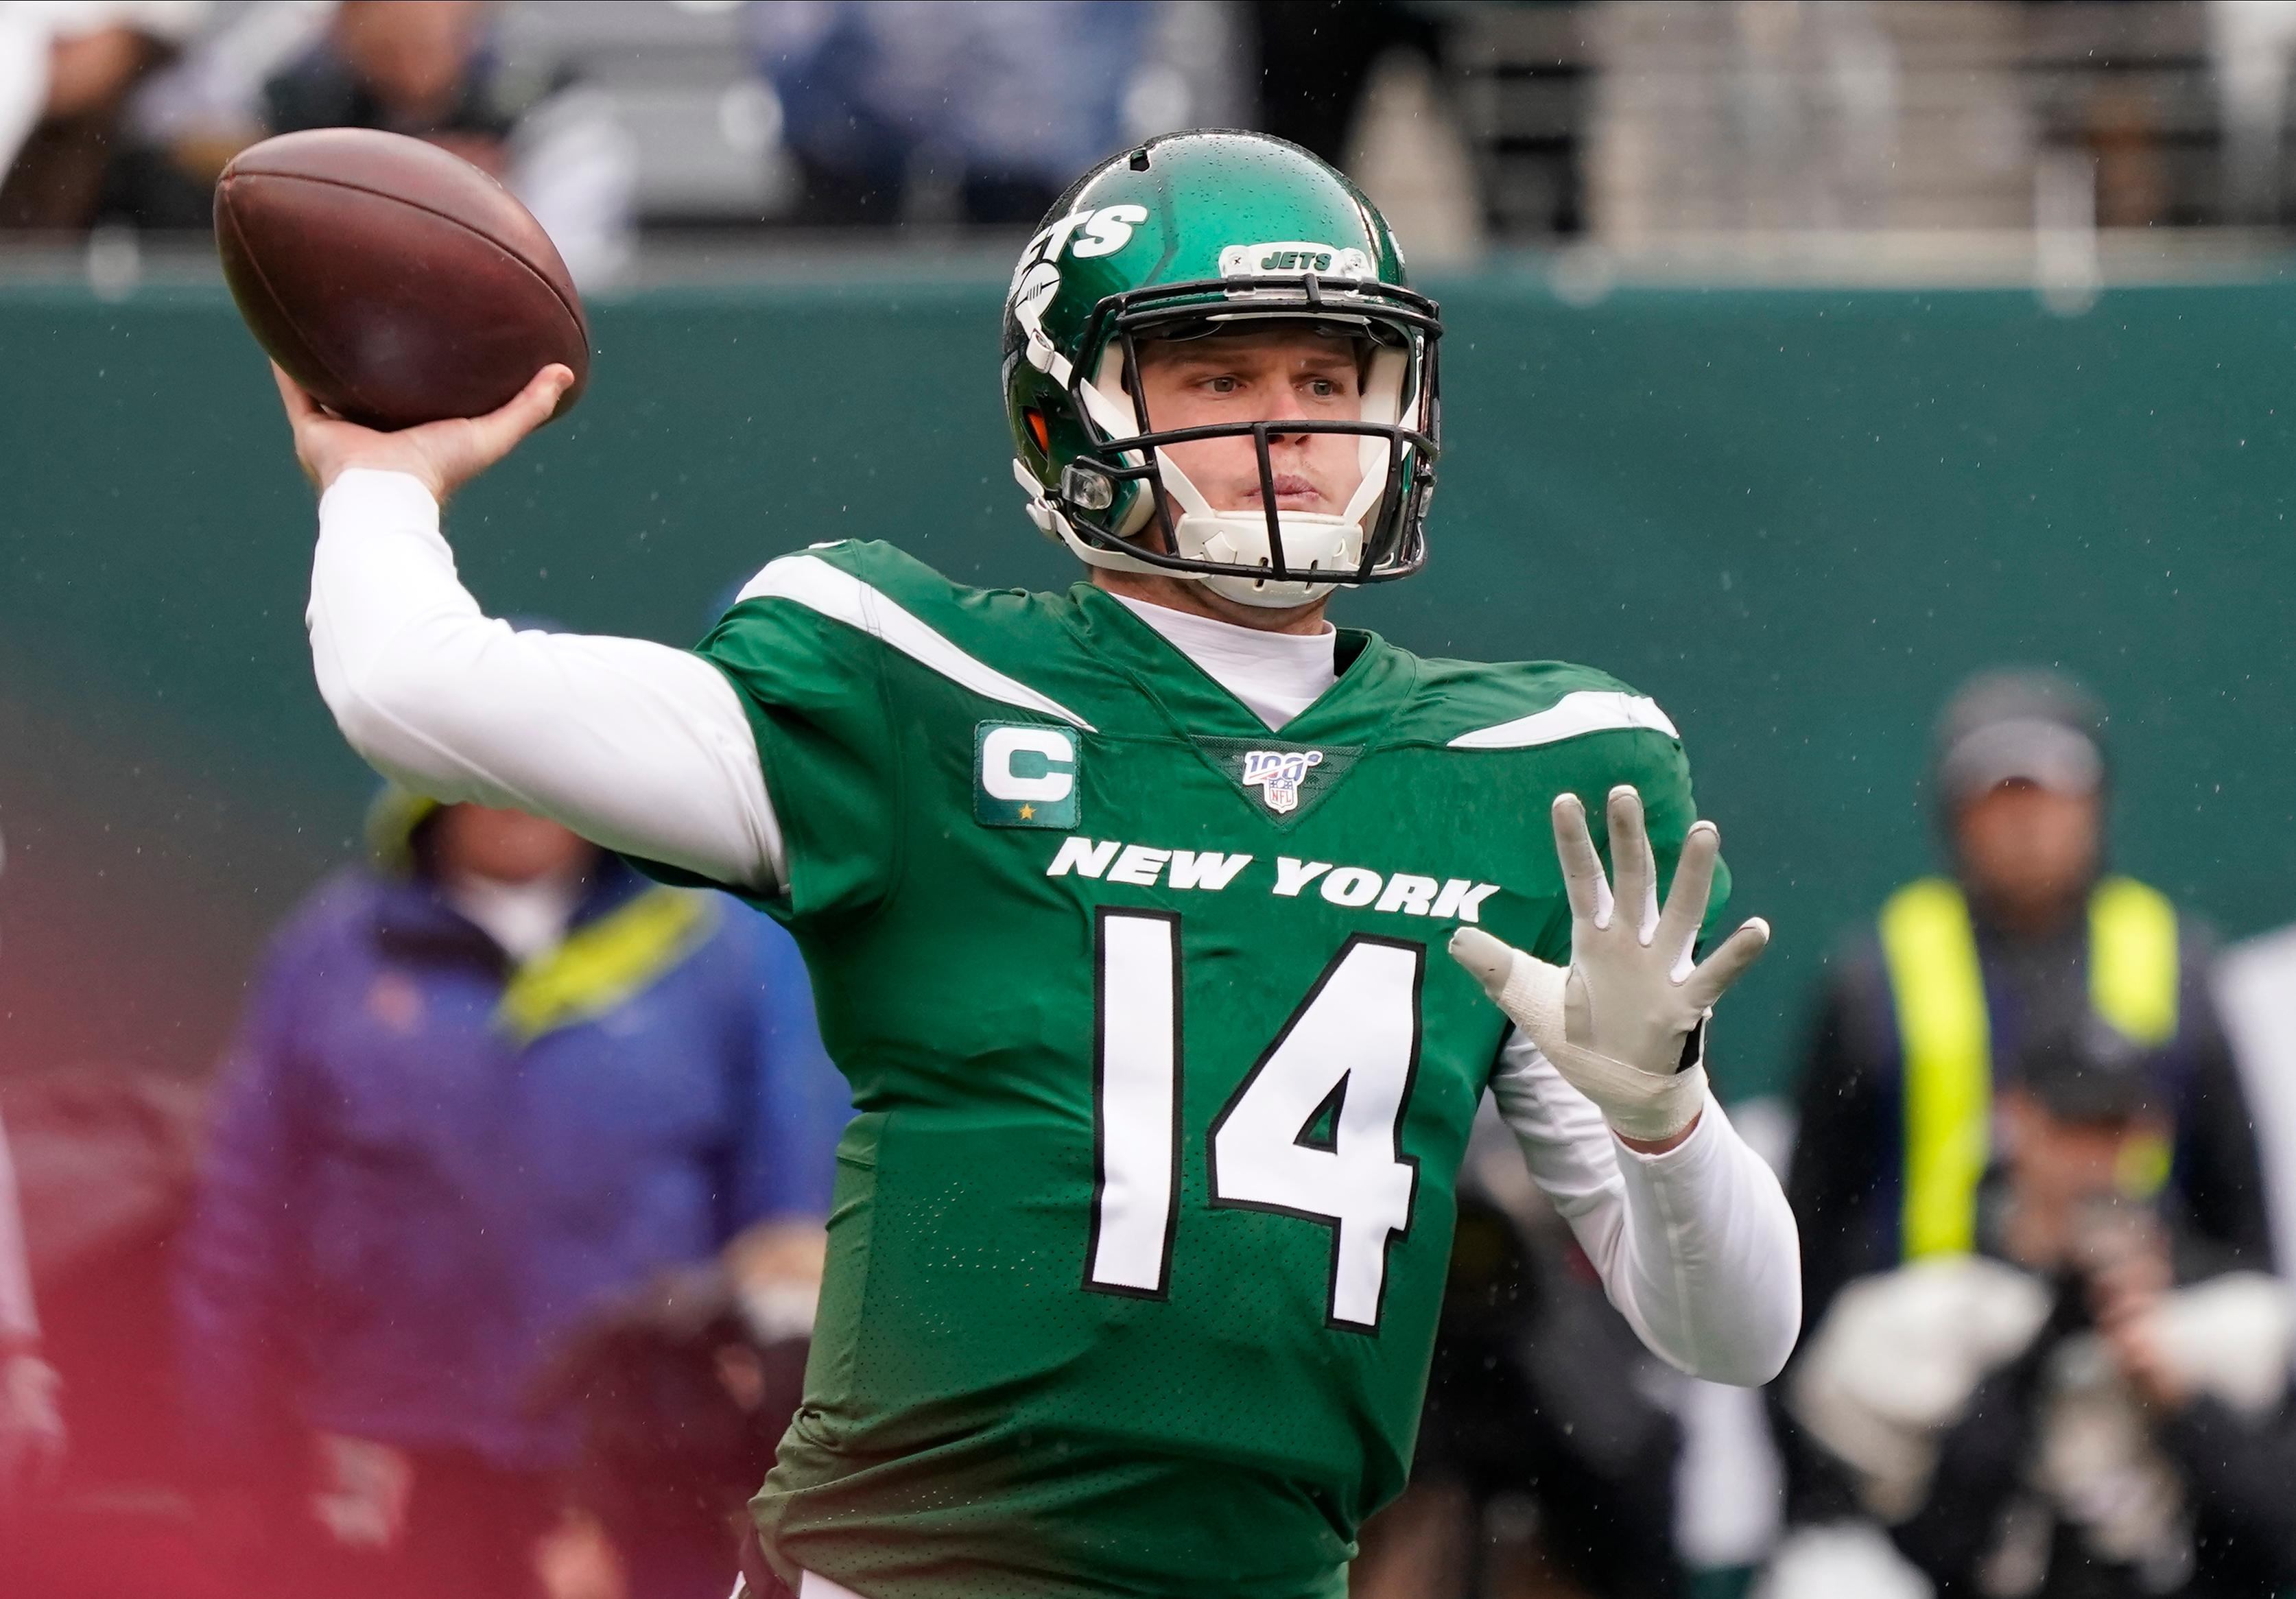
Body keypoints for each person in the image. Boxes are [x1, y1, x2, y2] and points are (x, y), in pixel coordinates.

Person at [268, 129, 1800, 1599]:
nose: (1292, 424)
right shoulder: (913, 683)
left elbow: (1732, 1332)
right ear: (1068, 417)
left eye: (1328, 375)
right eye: (1217, 372)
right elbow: (411, 689)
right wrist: (386, 482)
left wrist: (1659, 1122)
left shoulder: (1530, 768)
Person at [174, 786, 846, 1599]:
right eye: (477, 765)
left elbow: (797, 1236)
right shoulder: (329, 949)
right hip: (381, 1476)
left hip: (645, 1496)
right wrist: (228, 1458)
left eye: (539, 760)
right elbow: (240, 1229)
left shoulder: (728, 953)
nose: (512, 793)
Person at [1775, 670, 2274, 1532]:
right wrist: (1812, 1492)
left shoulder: (2178, 964)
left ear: (2094, 803)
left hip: (2129, 1371)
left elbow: (2242, 1222)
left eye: (2048, 791)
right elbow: (1800, 1247)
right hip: (1932, 1371)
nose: (2026, 821)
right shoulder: (1873, 979)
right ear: (1954, 815)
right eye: (1997, 795)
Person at [1788, 1022, 2296, 1597]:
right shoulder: (1937, 1307)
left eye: (2111, 1128)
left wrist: (2178, 1398)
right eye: (2069, 1126)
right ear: (2016, 1117)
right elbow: (1937, 1544)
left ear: (2150, 1130)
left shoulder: (2229, 1306)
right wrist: (2041, 1351)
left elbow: (2274, 1537)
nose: (2091, 1158)